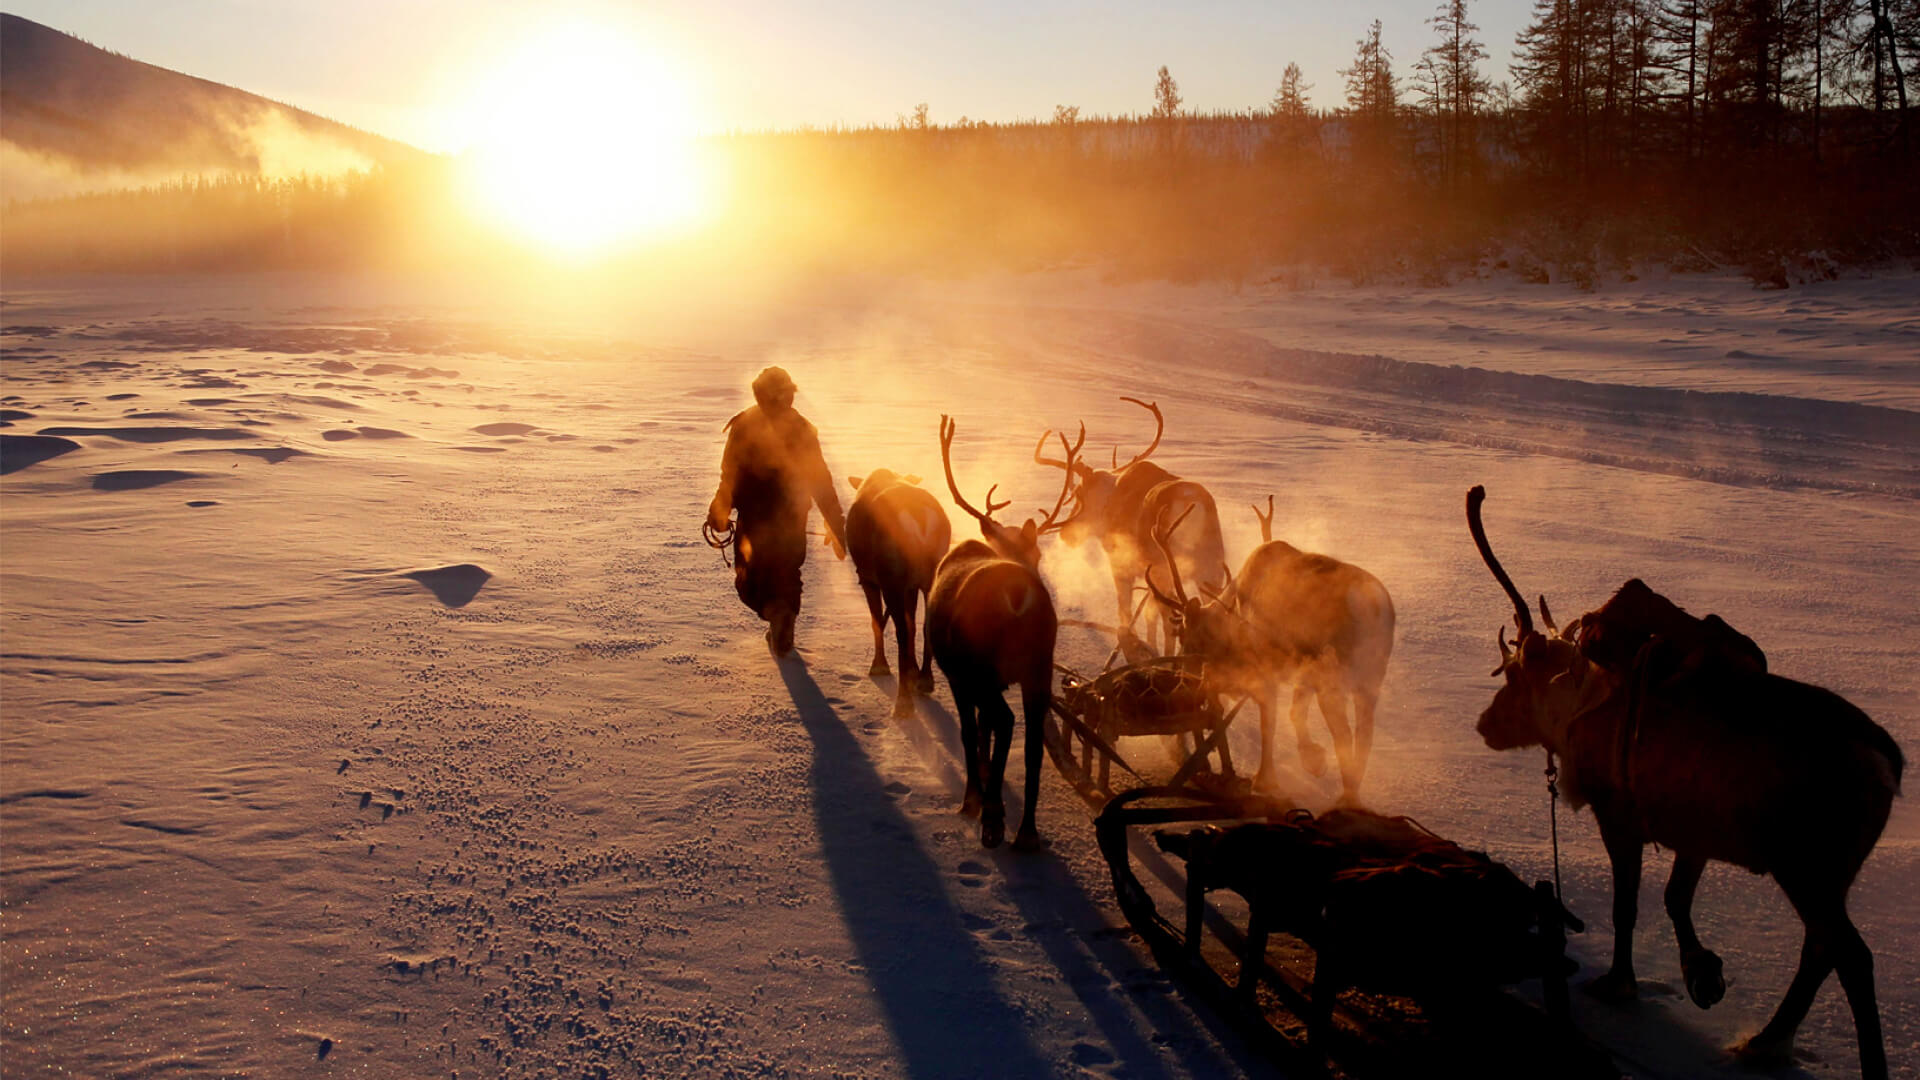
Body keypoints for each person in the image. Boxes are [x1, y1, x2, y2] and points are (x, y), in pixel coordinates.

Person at [706, 366, 847, 656]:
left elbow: (729, 474)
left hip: (754, 520)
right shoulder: (803, 428)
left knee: (750, 576)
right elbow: (820, 479)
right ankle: (783, 616)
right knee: (787, 572)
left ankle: (775, 615)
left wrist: (719, 510)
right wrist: (835, 521)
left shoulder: (744, 424)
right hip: (793, 518)